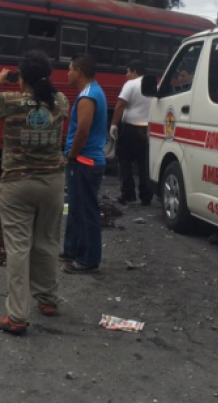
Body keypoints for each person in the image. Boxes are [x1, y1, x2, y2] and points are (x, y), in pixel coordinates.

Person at [0, 51, 69, 335]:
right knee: (48, 241)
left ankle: (17, 315)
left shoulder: (11, 101)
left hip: (18, 183)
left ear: (22, 77)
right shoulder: (61, 101)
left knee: (18, 246)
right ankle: (48, 299)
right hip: (53, 182)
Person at [62, 55, 108, 274]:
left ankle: (88, 259)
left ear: (79, 71)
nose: (67, 74)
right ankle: (71, 249)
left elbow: (83, 130)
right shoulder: (92, 92)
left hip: (84, 161)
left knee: (85, 211)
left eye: (69, 69)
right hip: (84, 160)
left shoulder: (88, 96)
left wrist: (72, 154)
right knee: (75, 209)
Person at [110, 60, 153, 205]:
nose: (126, 75)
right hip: (147, 129)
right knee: (143, 164)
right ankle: (146, 196)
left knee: (125, 160)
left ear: (134, 72)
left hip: (131, 128)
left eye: (128, 71)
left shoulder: (131, 84)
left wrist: (114, 125)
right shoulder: (153, 85)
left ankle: (128, 194)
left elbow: (120, 104)